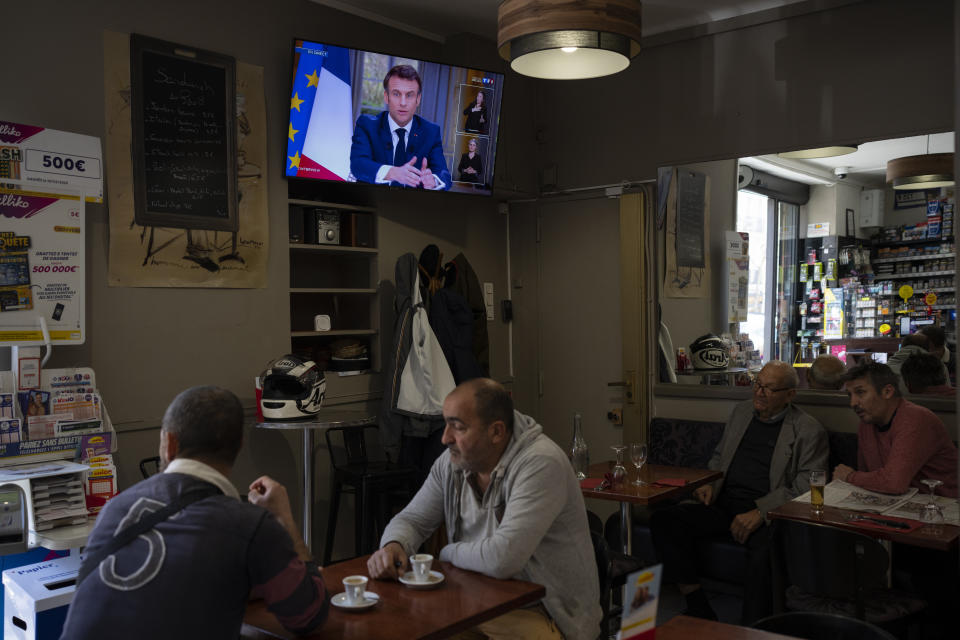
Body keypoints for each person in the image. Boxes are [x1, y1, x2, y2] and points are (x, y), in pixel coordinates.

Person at [60, 386, 328, 640]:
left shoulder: (114, 509)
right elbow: (308, 615)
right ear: (238, 446)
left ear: (169, 443)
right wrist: (285, 521)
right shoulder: (249, 525)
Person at [367, 378, 601, 640]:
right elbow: (413, 519)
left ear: (497, 432)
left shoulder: (541, 463)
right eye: (446, 424)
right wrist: (394, 544)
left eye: (458, 427)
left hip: (547, 613)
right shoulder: (452, 462)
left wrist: (446, 552)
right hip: (475, 602)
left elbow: (503, 559)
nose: (445, 438)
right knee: (404, 627)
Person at [650, 361, 828, 624]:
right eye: (758, 384)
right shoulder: (741, 413)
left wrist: (760, 512)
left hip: (767, 513)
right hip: (723, 504)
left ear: (790, 394)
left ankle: (752, 628)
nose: (759, 392)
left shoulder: (808, 430)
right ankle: (698, 605)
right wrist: (708, 484)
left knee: (763, 555)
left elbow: (807, 487)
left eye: (769, 389)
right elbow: (719, 456)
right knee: (664, 520)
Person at [833, 361, 958, 497]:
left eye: (860, 392)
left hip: (942, 504)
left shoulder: (915, 419)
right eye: (849, 395)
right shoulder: (867, 422)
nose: (853, 403)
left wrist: (849, 476)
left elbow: (894, 483)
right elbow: (868, 477)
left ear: (887, 391)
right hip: (897, 503)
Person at [350, 64, 450, 190]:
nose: (403, 103)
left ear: (418, 99)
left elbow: (444, 175)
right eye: (396, 94)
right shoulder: (367, 125)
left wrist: (434, 181)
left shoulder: (431, 132)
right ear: (386, 97)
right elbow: (358, 165)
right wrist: (393, 173)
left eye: (409, 95)